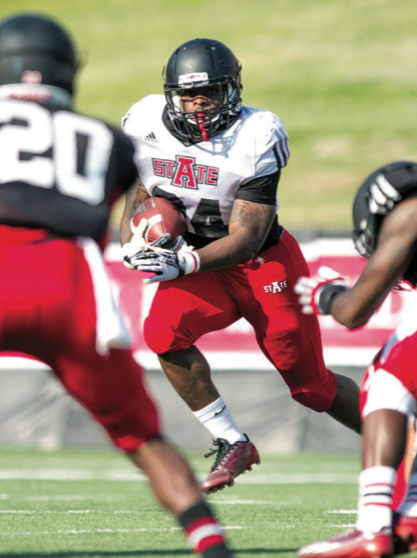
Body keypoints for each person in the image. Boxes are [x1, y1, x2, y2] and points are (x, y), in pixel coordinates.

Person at [0, 13, 234, 558]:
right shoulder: (107, 138)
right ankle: (211, 543)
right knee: (141, 437)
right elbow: (111, 207)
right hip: (69, 286)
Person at [120, 37, 361, 495]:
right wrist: (131, 241)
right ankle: (232, 440)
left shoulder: (257, 132)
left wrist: (184, 262)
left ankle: (404, 448)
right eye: (188, 95)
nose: (196, 105)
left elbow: (247, 236)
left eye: (208, 94)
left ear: (232, 90)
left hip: (263, 264)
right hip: (198, 265)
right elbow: (139, 193)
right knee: (163, 335)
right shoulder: (144, 120)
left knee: (311, 387)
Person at [295, 160, 417, 558]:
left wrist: (325, 294)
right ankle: (412, 515)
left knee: (388, 378)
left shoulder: (408, 211)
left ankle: (373, 524)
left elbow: (353, 312)